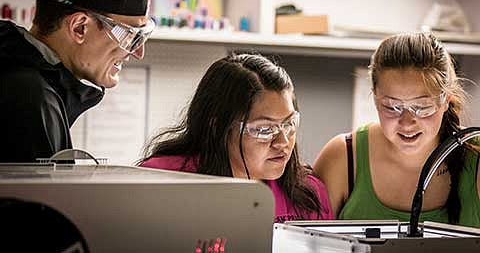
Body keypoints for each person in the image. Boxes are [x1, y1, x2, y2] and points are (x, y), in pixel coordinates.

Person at [139, 54, 334, 223]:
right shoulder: (160, 181)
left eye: (289, 124)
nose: (282, 142)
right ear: (217, 128)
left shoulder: (309, 194)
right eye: (265, 129)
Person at [313, 32, 479, 226]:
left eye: (422, 107)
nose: (407, 122)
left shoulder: (475, 156)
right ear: (375, 98)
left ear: (446, 100)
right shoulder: (343, 157)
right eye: (392, 107)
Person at [0, 0, 157, 163]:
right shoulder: (29, 98)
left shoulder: (18, 76)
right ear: (79, 28)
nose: (138, 52)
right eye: (131, 35)